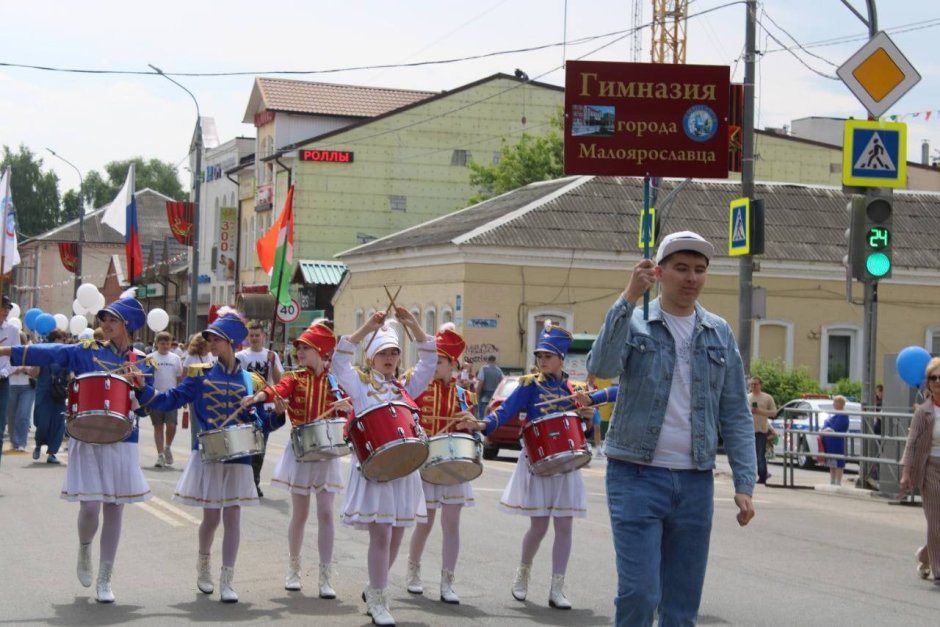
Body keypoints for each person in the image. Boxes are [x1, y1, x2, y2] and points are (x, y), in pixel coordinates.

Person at [585, 230, 757, 626]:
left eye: (699, 269)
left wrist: (744, 483)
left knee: (681, 608)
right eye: (681, 268)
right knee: (640, 594)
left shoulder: (718, 332)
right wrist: (627, 298)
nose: (691, 277)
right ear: (659, 273)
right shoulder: (637, 323)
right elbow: (601, 368)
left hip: (695, 482)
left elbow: (735, 411)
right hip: (636, 475)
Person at [1, 295, 155, 603]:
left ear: (128, 325)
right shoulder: (86, 351)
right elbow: (51, 352)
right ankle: (85, 549)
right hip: (87, 435)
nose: (106, 325)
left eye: (113, 320)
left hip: (123, 439)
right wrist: (6, 350)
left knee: (115, 507)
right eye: (104, 319)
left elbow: (146, 408)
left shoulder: (140, 359)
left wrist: (141, 386)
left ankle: (105, 577)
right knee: (89, 506)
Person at [136, 312, 274, 603]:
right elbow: (169, 399)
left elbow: (262, 424)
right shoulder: (200, 374)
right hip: (210, 453)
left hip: (238, 455)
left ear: (231, 342)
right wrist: (142, 388)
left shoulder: (251, 381)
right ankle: (204, 564)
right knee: (211, 518)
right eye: (209, 338)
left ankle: (228, 578)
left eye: (215, 339)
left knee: (233, 517)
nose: (209, 342)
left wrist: (273, 413)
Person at [462, 322, 593, 610]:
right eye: (540, 356)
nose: (542, 360)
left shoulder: (574, 389)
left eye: (547, 356)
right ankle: (523, 571)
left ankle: (557, 587)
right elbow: (505, 411)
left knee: (565, 526)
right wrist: (484, 423)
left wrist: (586, 413)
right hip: (539, 460)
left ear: (560, 358)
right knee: (539, 526)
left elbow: (584, 426)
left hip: (567, 463)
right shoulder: (528, 385)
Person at [332, 308, 435, 626]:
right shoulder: (361, 386)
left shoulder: (406, 387)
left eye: (393, 353)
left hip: (403, 469)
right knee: (381, 536)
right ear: (372, 357)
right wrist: (367, 328)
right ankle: (378, 601)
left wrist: (413, 326)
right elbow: (339, 362)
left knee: (397, 536)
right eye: (383, 353)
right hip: (375, 470)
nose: (389, 358)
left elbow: (429, 363)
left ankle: (374, 587)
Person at [242, 321, 348, 598]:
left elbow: (353, 408)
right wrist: (257, 397)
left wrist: (348, 407)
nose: (299, 352)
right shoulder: (295, 377)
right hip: (301, 452)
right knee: (299, 514)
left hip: (327, 453)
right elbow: (277, 390)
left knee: (326, 513)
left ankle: (325, 576)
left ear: (322, 351)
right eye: (298, 348)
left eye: (306, 348)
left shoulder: (336, 380)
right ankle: (294, 569)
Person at [406, 323, 476, 604]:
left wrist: (469, 424)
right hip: (426, 464)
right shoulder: (418, 387)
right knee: (425, 522)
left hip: (453, 466)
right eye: (433, 358)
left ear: (453, 364)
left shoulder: (463, 395)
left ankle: (448, 581)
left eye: (441, 360)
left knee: (452, 524)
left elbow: (470, 432)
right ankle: (413, 571)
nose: (435, 364)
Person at [899, 357, 940, 583]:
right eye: (933, 378)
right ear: (927, 382)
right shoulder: (923, 412)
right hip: (931, 469)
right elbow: (911, 443)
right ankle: (938, 569)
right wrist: (906, 473)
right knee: (935, 522)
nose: (937, 382)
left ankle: (925, 554)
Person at [236, 321, 283, 497]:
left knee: (260, 446)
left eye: (257, 335)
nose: (254, 338)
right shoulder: (240, 356)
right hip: (247, 405)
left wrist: (272, 363)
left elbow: (279, 382)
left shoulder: (271, 355)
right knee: (246, 445)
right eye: (252, 335)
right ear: (248, 337)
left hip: (265, 407)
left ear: (263, 336)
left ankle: (254, 482)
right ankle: (244, 482)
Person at [32, 329, 70, 464]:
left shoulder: (66, 355)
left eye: (65, 338)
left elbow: (69, 374)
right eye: (61, 338)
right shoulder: (44, 353)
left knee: (58, 424)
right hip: (44, 392)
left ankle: (52, 453)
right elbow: (34, 373)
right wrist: (36, 362)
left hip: (59, 394)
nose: (63, 341)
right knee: (43, 423)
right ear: (53, 340)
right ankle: (38, 445)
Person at [147, 331, 183, 467]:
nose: (165, 346)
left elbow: (179, 378)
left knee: (172, 425)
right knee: (158, 427)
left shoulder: (175, 358)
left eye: (167, 343)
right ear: (157, 344)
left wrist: (180, 396)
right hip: (155, 397)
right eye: (162, 343)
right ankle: (160, 455)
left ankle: (167, 447)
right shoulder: (150, 357)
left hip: (171, 397)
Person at [182, 332, 216, 449]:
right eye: (209, 342)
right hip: (195, 395)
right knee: (196, 427)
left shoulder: (212, 356)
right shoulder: (191, 357)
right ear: (201, 344)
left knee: (209, 426)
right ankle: (195, 452)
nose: (211, 344)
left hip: (210, 395)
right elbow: (184, 376)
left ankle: (206, 451)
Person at [0, 295, 21, 460]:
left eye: (8, 308)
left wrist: (4, 372)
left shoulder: (12, 331)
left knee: (0, 426)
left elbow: (16, 358)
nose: (6, 311)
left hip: (2, 381)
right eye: (4, 307)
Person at [9, 331, 37, 453]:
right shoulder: (9, 352)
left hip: (27, 387)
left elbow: (35, 370)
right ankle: (14, 441)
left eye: (22, 340)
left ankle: (21, 442)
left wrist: (27, 369)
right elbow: (4, 368)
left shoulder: (30, 352)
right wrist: (15, 369)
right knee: (12, 416)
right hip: (11, 386)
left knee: (24, 415)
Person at [748, 376, 777, 484]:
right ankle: (751, 475)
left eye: (756, 384)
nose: (753, 386)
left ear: (760, 385)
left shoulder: (767, 398)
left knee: (760, 454)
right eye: (752, 384)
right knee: (749, 455)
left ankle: (762, 475)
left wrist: (760, 411)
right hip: (748, 430)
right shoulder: (747, 397)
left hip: (761, 430)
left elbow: (774, 412)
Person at [821, 395, 850, 486]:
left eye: (835, 402)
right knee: (831, 462)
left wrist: (828, 428)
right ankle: (832, 481)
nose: (833, 404)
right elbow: (827, 424)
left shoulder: (843, 415)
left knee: (838, 462)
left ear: (840, 403)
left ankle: (838, 482)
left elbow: (836, 427)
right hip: (830, 441)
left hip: (837, 442)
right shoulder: (834, 414)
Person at [474, 354, 503, 419]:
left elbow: (481, 382)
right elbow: (501, 383)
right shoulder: (499, 370)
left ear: (488, 361)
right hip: (494, 396)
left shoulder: (484, 369)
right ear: (495, 361)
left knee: (482, 415)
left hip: (484, 394)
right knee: (491, 414)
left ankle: (482, 426)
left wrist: (477, 394)